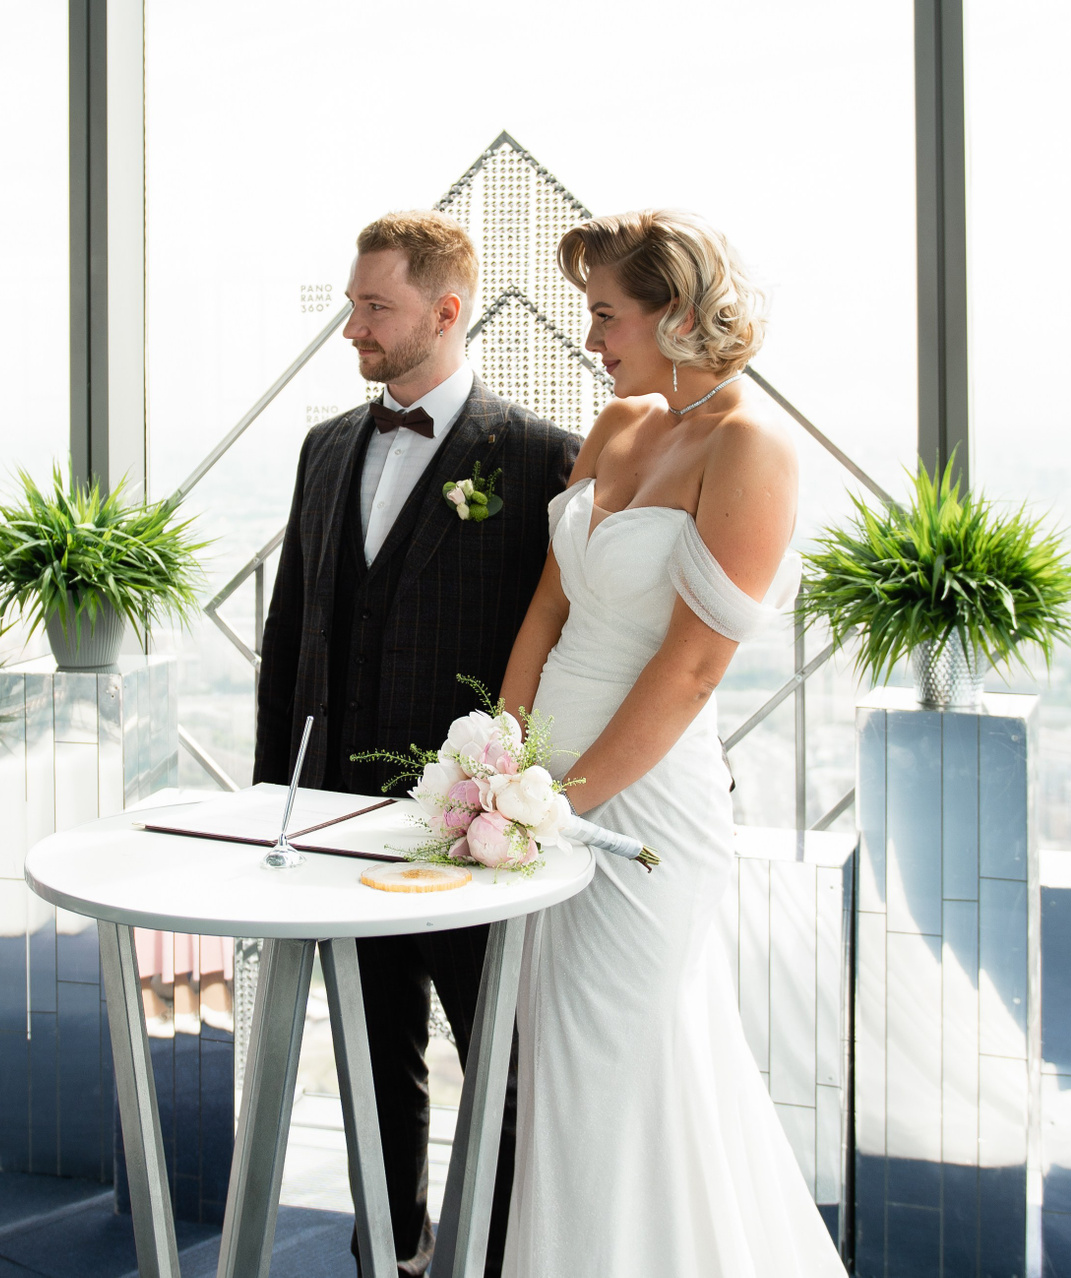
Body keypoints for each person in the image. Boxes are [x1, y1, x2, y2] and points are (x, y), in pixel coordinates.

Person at [496, 210, 843, 1276]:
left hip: (643, 808)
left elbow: (692, 671)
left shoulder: (750, 448)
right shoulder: (617, 426)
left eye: (607, 315)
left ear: (679, 313)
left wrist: (562, 805)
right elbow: (547, 608)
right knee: (557, 1064)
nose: (591, 339)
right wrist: (498, 764)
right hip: (539, 784)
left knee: (619, 1058)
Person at [255, 210, 581, 1276]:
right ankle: (389, 1256)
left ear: (445, 312)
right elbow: (290, 636)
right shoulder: (323, 448)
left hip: (464, 832)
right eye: (351, 304)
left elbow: (559, 648)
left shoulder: (540, 457)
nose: (353, 327)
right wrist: (273, 806)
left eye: (374, 307)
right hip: (335, 825)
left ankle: (494, 1259)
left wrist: (519, 802)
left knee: (502, 1069)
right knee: (368, 1058)